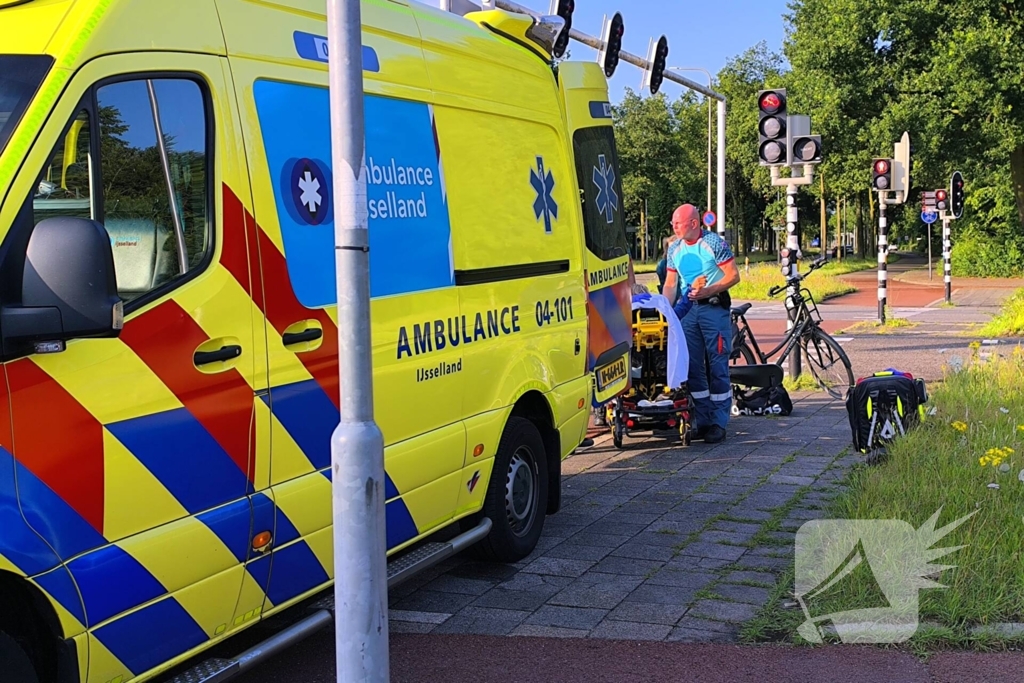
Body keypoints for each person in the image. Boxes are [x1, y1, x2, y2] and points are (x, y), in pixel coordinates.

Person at [662, 204, 741, 444]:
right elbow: (670, 283)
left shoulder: (713, 243)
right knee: (693, 366)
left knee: (717, 364)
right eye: (673, 223)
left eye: (678, 223)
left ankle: (719, 422)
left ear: (694, 224)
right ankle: (702, 420)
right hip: (688, 311)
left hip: (712, 309)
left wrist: (710, 290)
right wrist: (665, 312)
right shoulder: (674, 248)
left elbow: (733, 275)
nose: (674, 227)